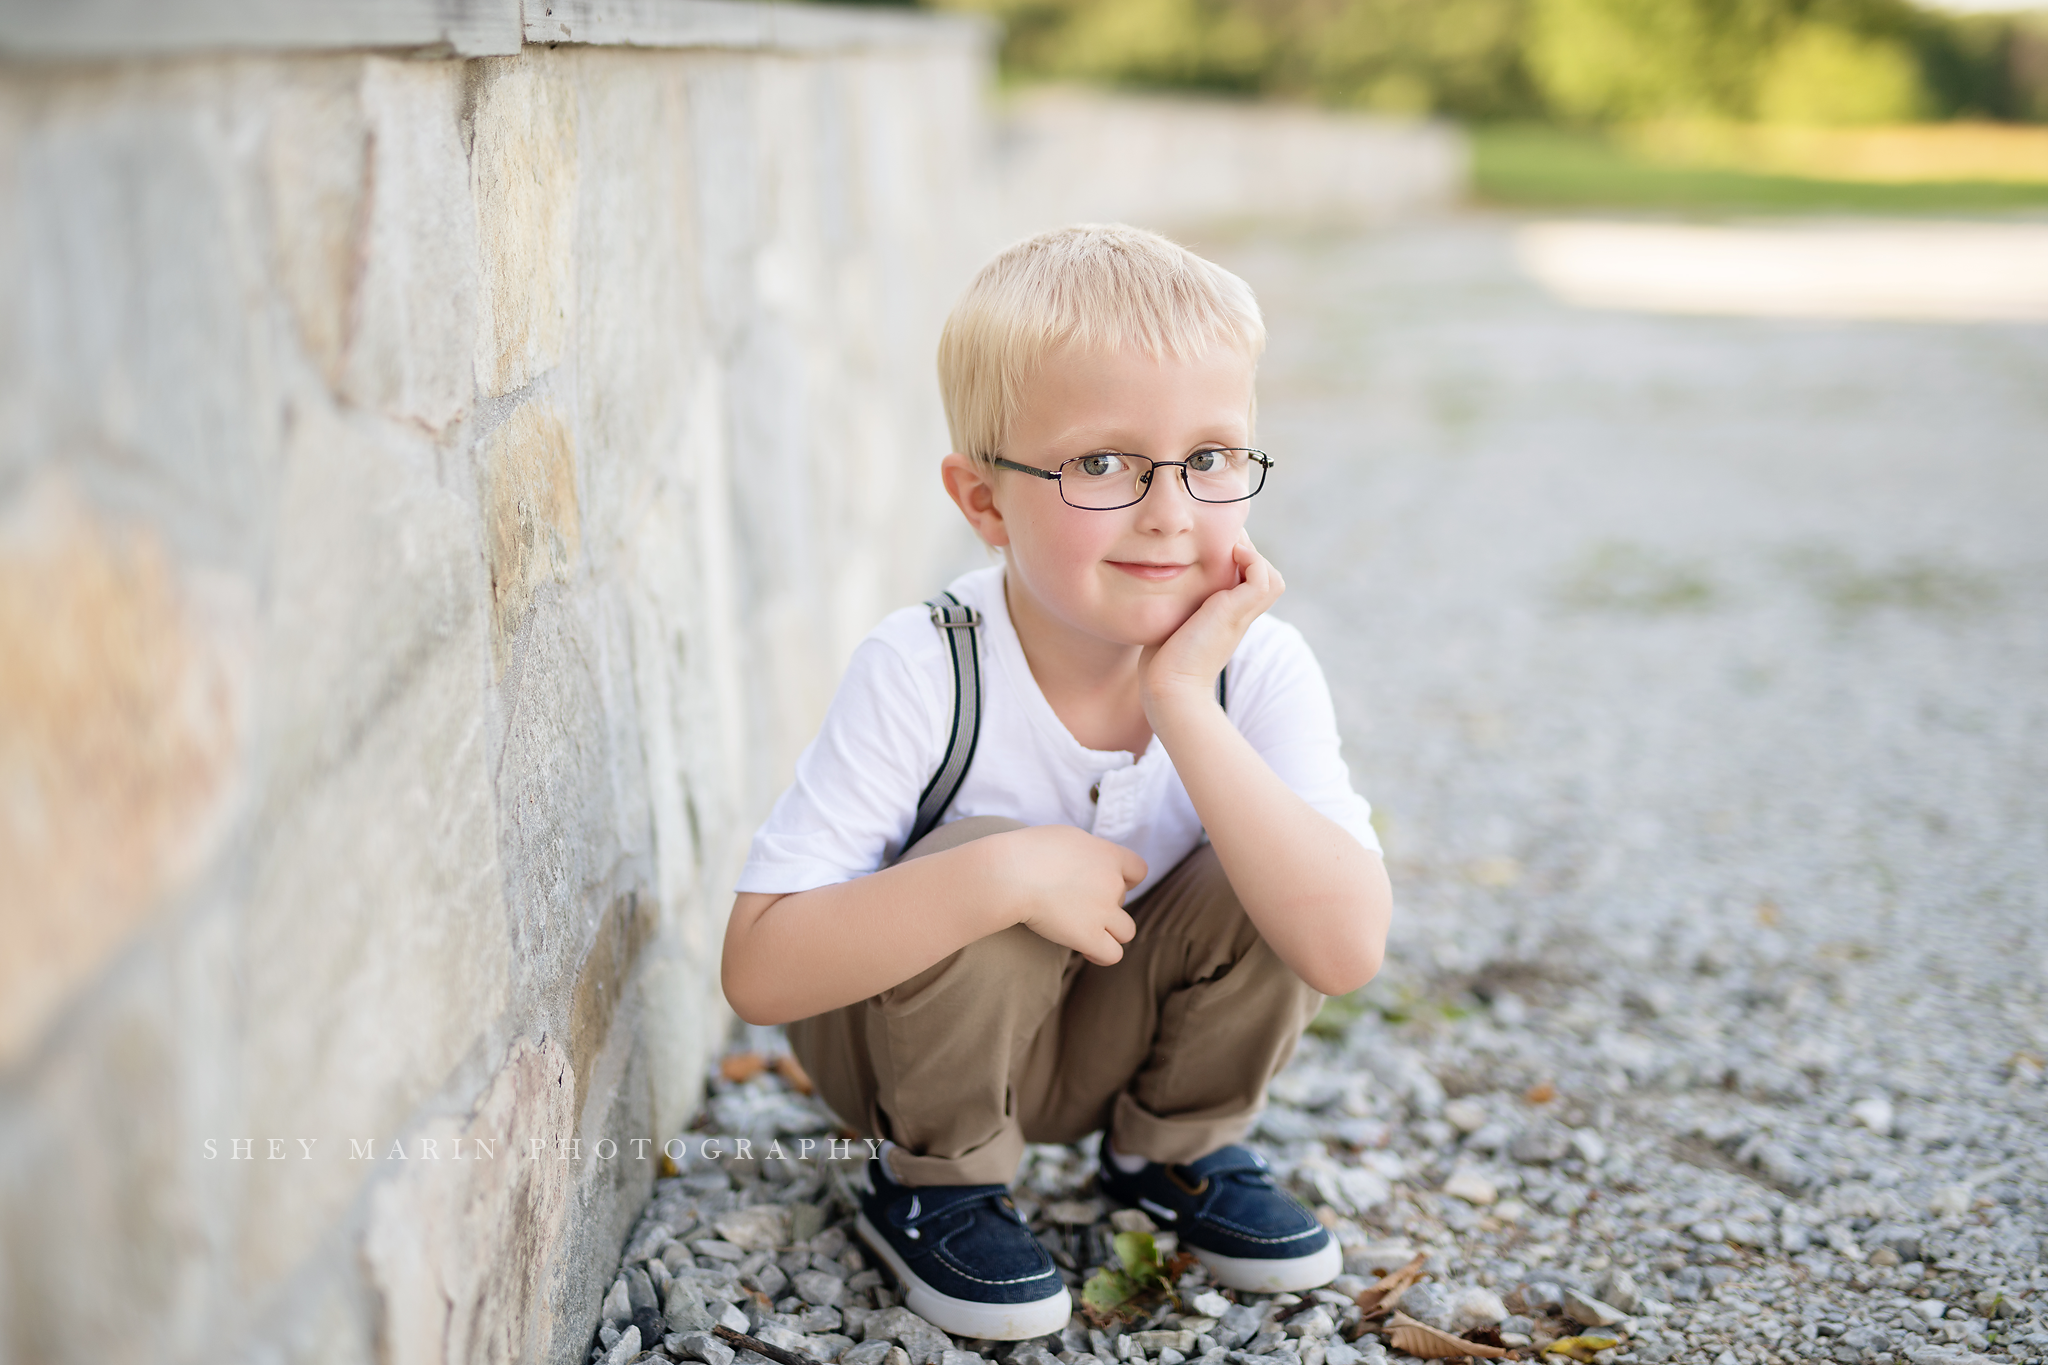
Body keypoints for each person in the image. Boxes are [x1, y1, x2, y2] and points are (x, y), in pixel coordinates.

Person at [720, 224, 1391, 1341]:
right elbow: (761, 971)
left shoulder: (1254, 665)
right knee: (981, 859)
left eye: (1212, 456)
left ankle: (1169, 1153)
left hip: (1111, 1035)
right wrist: (1006, 873)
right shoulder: (928, 664)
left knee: (1276, 857)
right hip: (911, 1047)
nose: (1171, 510)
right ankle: (933, 1184)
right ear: (983, 503)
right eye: (1102, 464)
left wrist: (1181, 699)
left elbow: (1341, 947)